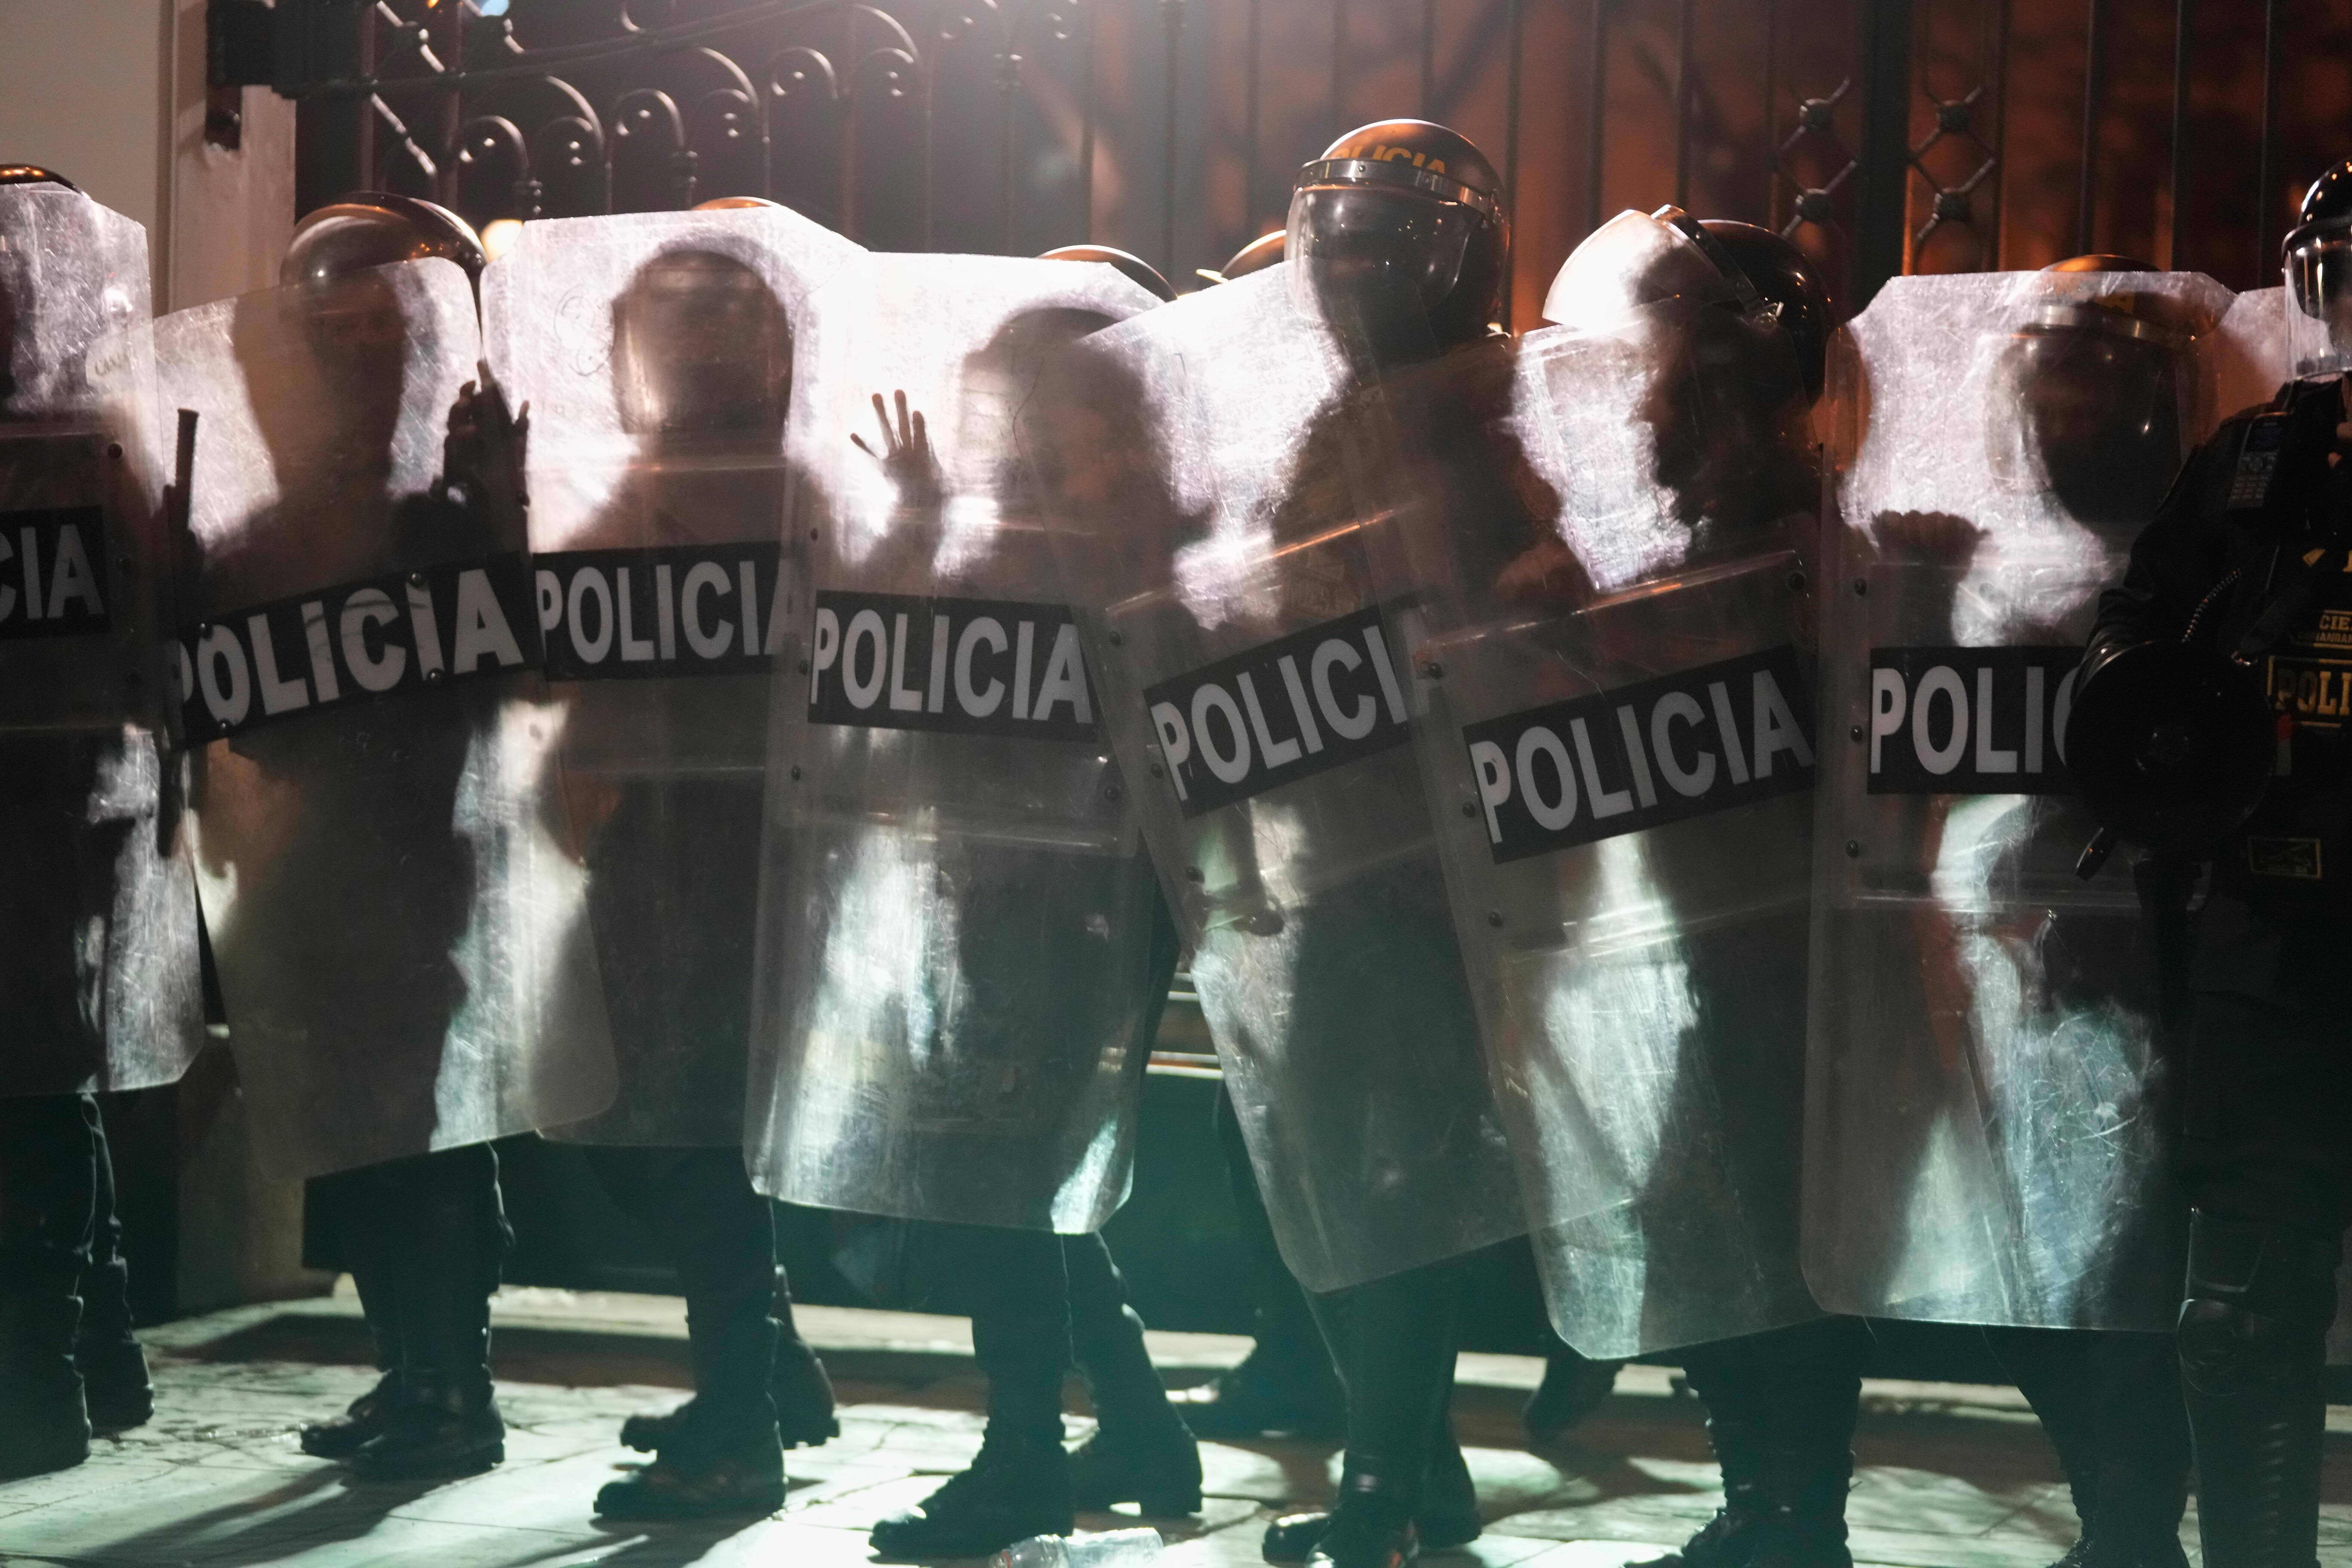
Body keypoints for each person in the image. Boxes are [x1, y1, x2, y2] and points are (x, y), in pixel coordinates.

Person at [164, 191, 612, 1481]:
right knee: (349, 1140)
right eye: (337, 332)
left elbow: (535, 676)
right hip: (307, 882)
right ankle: (410, 1371)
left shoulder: (463, 502)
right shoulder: (283, 514)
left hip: (422, 870)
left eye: (383, 331)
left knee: (424, 1131)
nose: (359, 355)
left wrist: (495, 516)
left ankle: (450, 1382)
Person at [486, 199, 845, 1517]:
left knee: (694, 1143)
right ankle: (763, 1371)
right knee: (626, 1128)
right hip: (647, 850)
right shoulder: (643, 486)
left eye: (719, 332)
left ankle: (743, 1415)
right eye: (671, 330)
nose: (692, 357)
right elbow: (557, 636)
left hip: (741, 852)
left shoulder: (796, 486)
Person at [2074, 161, 2352, 1568]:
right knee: (2241, 1309)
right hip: (2274, 921)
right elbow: (2132, 632)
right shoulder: (2256, 466)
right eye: (2339, 275)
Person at [0, 166, 204, 1480]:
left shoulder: (94, 447)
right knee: (39, 1080)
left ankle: (41, 1379)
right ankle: (98, 1353)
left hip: (51, 807)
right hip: (64, 802)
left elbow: (156, 631)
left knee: (31, 1083)